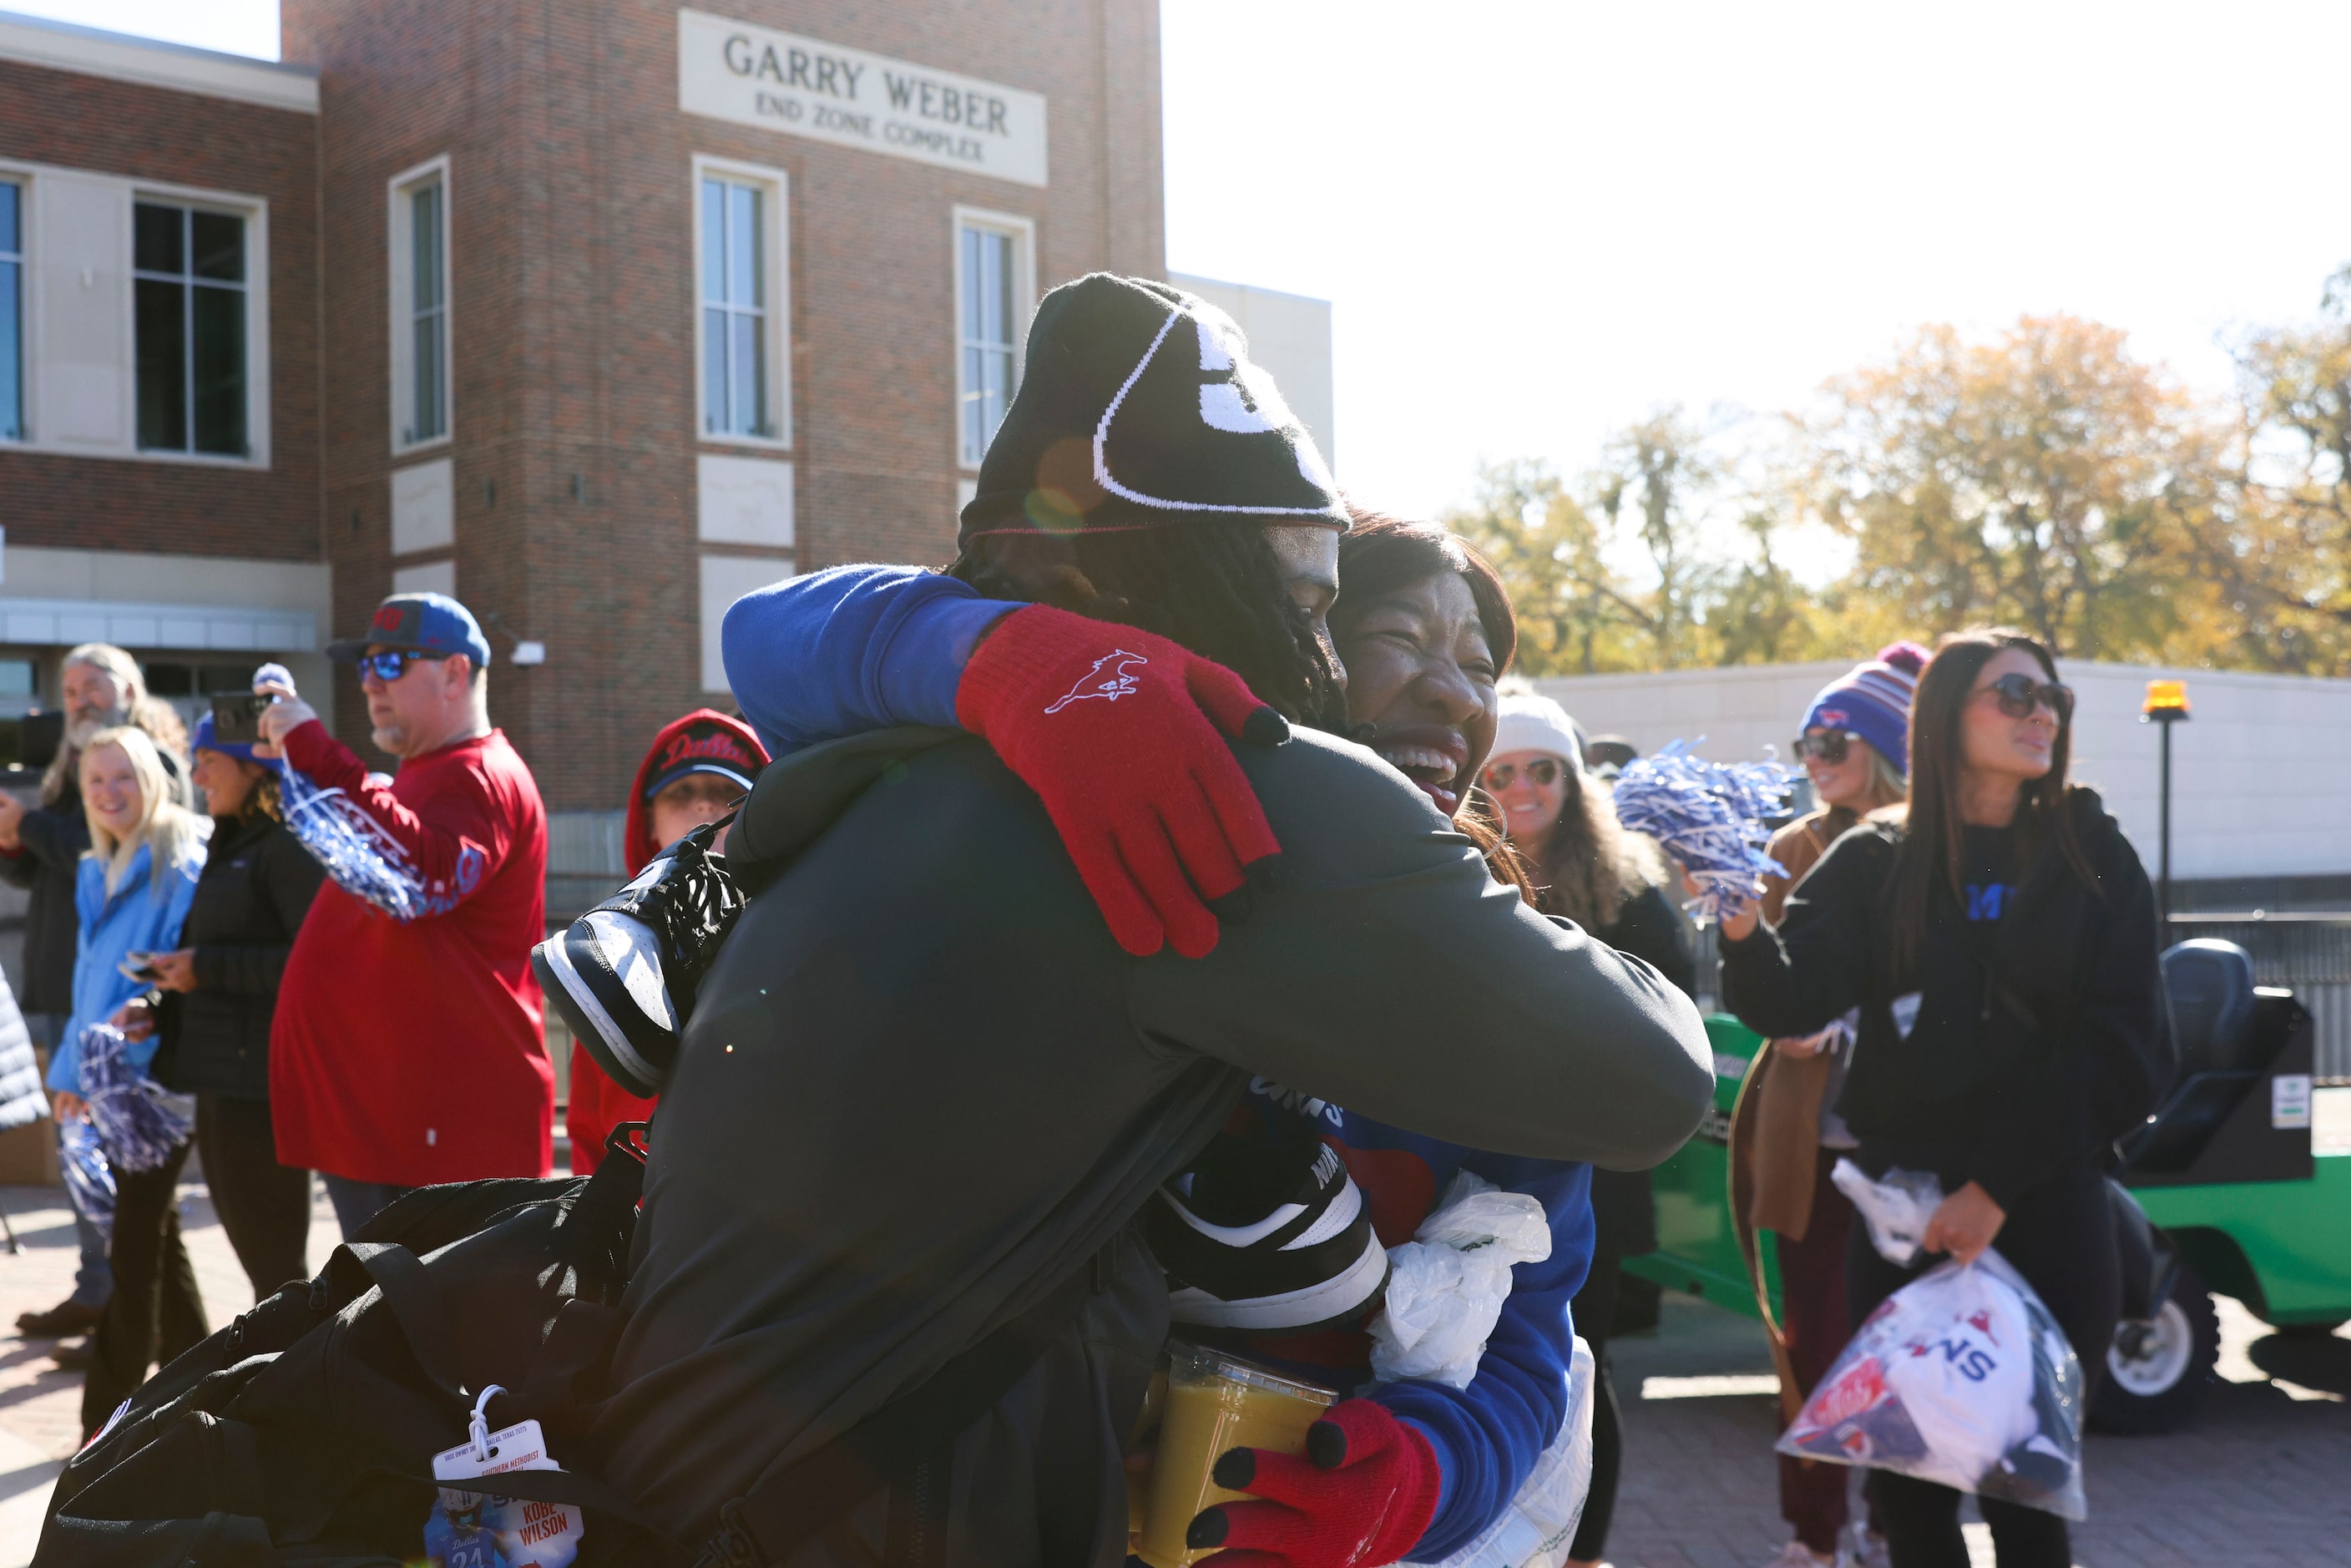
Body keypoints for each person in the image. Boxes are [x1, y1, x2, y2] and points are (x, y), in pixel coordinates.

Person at [583, 275, 1714, 1562]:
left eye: (1485, 668)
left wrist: (984, 651)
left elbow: (774, 634)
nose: (1346, 673)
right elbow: (1654, 1082)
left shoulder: (883, 755)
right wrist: (1008, 651)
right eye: (1319, 613)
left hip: (688, 1483)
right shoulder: (1244, 789)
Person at [1718, 629, 2166, 1568]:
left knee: (2024, 1503)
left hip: (2046, 1213)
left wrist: (1993, 1189)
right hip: (1901, 1224)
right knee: (1909, 1501)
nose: (2041, 713)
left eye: (2052, 699)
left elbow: (2126, 1051)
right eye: (2012, 695)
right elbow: (1786, 1000)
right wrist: (1737, 925)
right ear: (1941, 714)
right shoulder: (1876, 856)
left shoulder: (2090, 850)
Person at [255, 593, 550, 1239]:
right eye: (364, 667)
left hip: (444, 1132)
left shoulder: (479, 776)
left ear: (454, 673)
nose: (369, 684)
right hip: (393, 1123)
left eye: (390, 664)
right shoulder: (425, 773)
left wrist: (313, 748)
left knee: (435, 1333)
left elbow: (424, 878)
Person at [1479, 690, 1695, 1568]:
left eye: (1541, 770)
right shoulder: (1444, 870)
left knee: (1577, 1365)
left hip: (1589, 1173)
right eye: (1499, 772)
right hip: (1478, 1158)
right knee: (1476, 1360)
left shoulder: (1627, 887)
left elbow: (1666, 1019)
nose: (1522, 789)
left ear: (1571, 779)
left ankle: (1580, 1554)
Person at [1733, 645, 1923, 1568]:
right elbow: (1765, 982)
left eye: (1833, 737)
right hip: (1812, 1144)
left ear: (1885, 745)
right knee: (1808, 1349)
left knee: (1902, 1350)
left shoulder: (1935, 850)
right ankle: (1812, 1535)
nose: (1812, 754)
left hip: (1907, 1153)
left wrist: (1841, 1026)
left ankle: (1899, 1528)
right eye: (1806, 738)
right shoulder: (1788, 849)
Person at [0, 644, 181, 1341]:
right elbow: (47, 871)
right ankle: (100, 1291)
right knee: (81, 1143)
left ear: (131, 689)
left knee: (117, 1153)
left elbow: (96, 846)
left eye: (93, 686)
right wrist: (15, 842)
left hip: (119, 990)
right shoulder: (68, 763)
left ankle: (123, 1309)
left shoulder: (146, 761)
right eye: (70, 689)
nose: (79, 699)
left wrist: (31, 826)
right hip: (64, 972)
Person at [126, 705, 326, 1300]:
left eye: (209, 761)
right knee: (259, 1263)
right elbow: (209, 951)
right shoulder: (230, 839)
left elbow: (311, 963)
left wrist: (204, 969)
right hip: (220, 1079)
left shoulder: (288, 844)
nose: (199, 775)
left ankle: (297, 1379)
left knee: (275, 1267)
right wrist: (159, 1003)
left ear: (252, 767)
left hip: (262, 1088)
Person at [46, 726, 208, 1432]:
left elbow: (168, 979)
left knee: (133, 1252)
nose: (110, 793)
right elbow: (88, 987)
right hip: (106, 1084)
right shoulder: (99, 866)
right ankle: (210, 1387)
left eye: (123, 777)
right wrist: (70, 1073)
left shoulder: (181, 852)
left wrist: (104, 1066)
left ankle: (99, 1431)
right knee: (156, 1241)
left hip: (154, 1090)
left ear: (153, 777)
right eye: (95, 782)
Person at [566, 710, 767, 1176]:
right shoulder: (606, 961)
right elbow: (587, 1142)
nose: (703, 808)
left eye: (727, 794)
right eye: (682, 793)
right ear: (648, 823)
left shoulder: (795, 944)